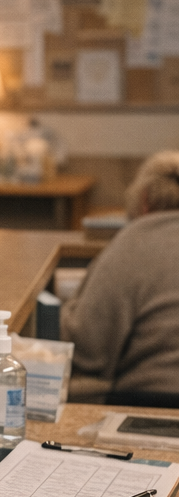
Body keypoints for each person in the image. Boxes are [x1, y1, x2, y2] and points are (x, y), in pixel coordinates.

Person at [62, 151, 179, 404]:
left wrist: (68, 308)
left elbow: (88, 350)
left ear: (145, 200)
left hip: (151, 399)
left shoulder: (135, 240)